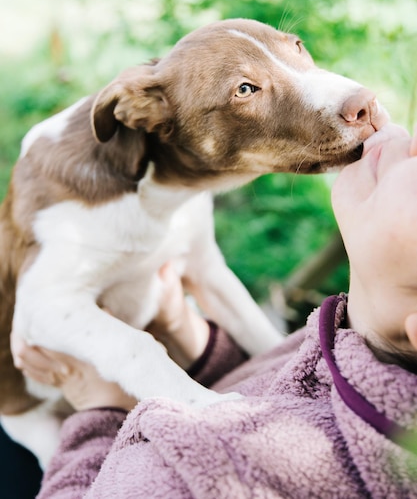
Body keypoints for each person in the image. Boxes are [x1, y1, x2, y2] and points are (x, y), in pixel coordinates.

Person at [11, 122, 417, 499]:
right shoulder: (352, 338)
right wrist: (193, 340)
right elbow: (272, 383)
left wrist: (97, 412)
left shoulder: (228, 470)